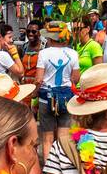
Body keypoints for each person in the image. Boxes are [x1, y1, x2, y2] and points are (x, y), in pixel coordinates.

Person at [34, 22, 82, 155]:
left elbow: (38, 79)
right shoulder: (73, 53)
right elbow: (76, 79)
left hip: (46, 97)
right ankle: (62, 168)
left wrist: (34, 93)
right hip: (66, 97)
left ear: (49, 38)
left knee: (47, 139)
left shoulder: (43, 53)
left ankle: (49, 169)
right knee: (63, 138)